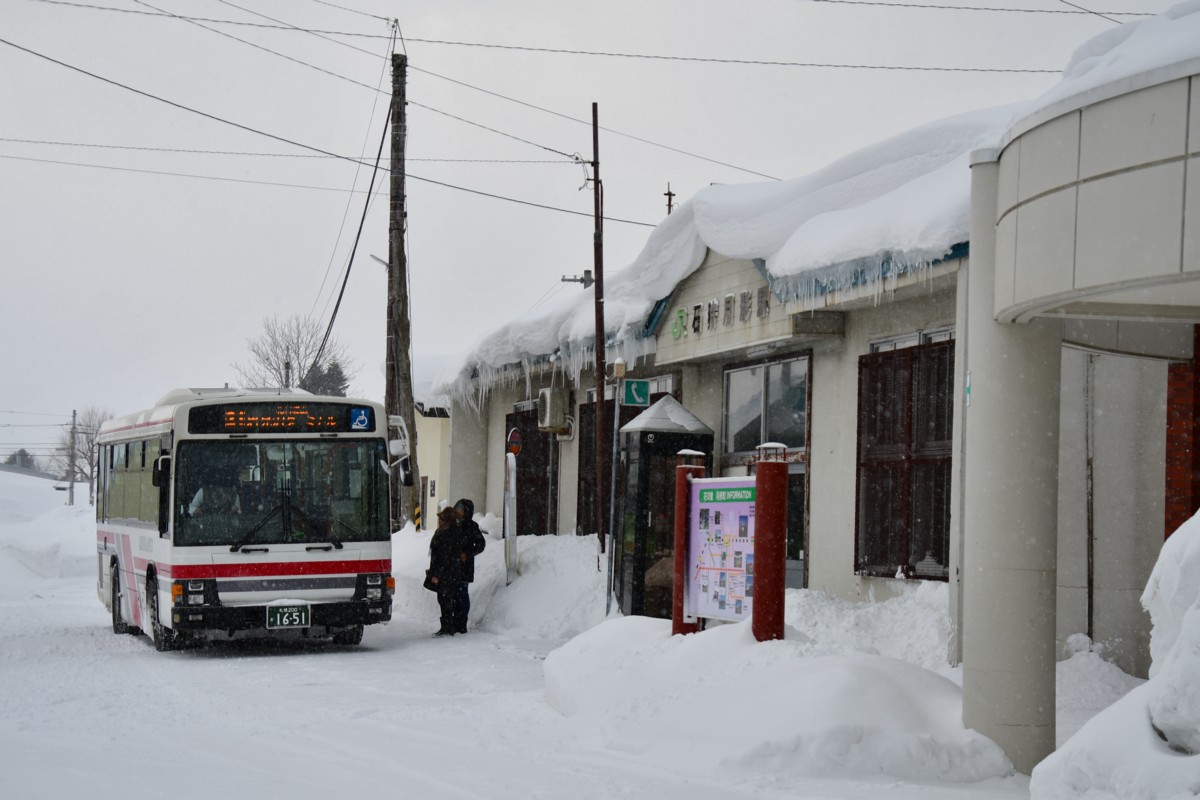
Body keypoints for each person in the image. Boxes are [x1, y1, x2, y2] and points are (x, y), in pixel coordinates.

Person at [427, 506, 467, 637]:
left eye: (441, 518)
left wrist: (436, 574)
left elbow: (442, 557)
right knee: (446, 599)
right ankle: (447, 626)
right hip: (452, 572)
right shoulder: (453, 532)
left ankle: (447, 627)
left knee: (444, 599)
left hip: (446, 573)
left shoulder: (446, 534)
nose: (439, 521)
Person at [453, 498, 487, 634]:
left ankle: (462, 623)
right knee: (452, 595)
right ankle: (452, 622)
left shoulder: (472, 527)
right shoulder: (452, 524)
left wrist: (467, 553)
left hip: (465, 566)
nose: (458, 512)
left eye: (460, 510)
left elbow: (481, 544)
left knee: (462, 593)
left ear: (466, 512)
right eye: (457, 509)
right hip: (451, 566)